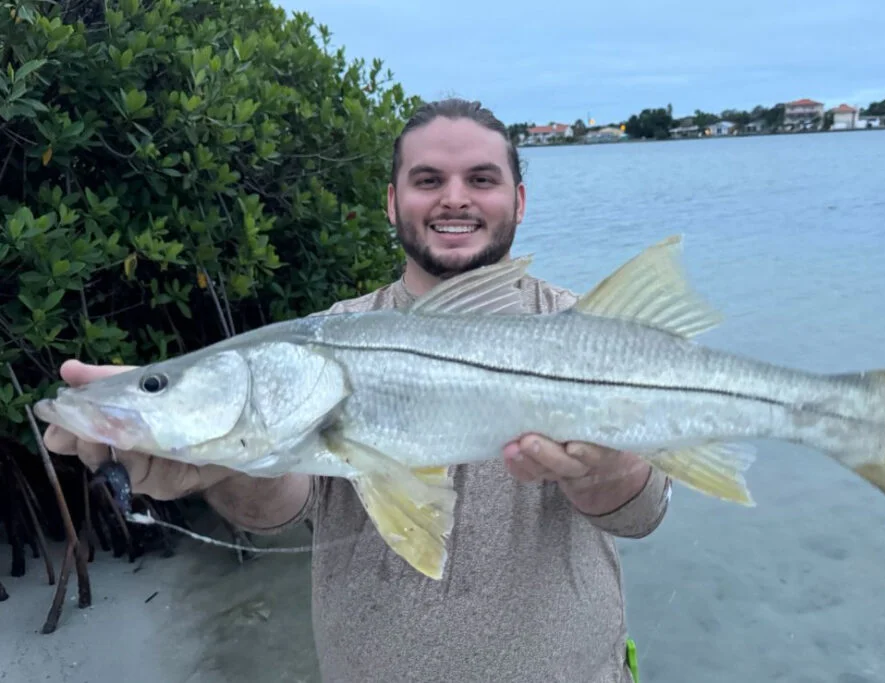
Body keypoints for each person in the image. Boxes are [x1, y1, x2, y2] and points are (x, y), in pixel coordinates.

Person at [44, 98, 673, 683]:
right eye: (428, 180)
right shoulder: (320, 340)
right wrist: (219, 466)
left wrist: (604, 469)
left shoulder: (593, 335)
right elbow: (281, 509)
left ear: (520, 200)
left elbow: (643, 514)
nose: (455, 198)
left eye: (481, 179)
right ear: (392, 203)